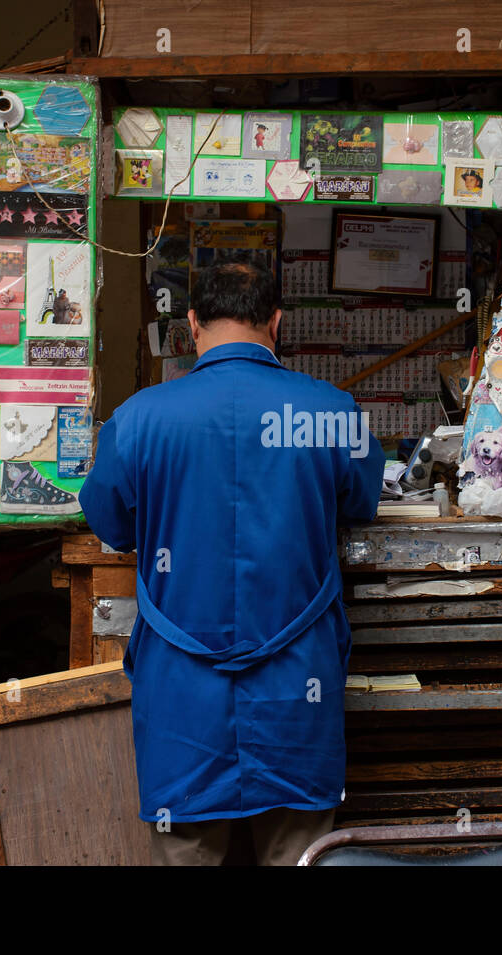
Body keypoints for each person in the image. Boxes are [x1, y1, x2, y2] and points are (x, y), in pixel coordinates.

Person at [79, 261, 384, 866]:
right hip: (298, 683)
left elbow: (111, 525)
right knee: (301, 852)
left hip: (181, 692)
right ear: (276, 322)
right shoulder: (329, 411)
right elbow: (362, 500)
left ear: (192, 324)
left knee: (185, 845)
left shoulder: (138, 418)